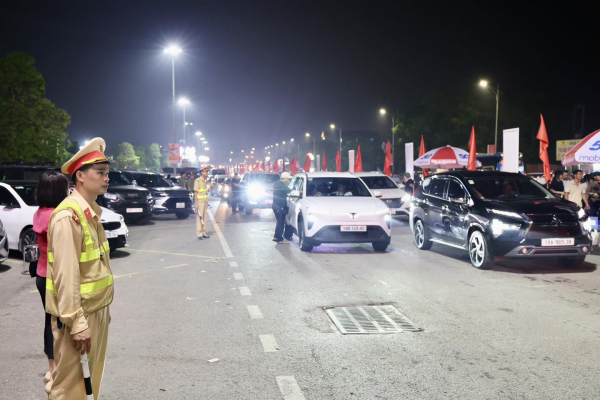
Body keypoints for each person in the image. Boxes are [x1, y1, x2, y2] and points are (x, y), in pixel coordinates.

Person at [46, 137, 114, 399]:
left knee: (89, 384)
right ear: (81, 176)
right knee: (70, 389)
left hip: (95, 310)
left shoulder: (90, 212)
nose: (107, 177)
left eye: (107, 172)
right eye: (101, 172)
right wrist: (77, 322)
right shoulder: (69, 216)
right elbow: (66, 276)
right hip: (79, 316)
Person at [34, 171, 70, 397]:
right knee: (60, 323)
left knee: (50, 321)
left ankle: (51, 368)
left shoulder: (39, 213)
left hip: (41, 274)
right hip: (55, 276)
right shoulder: (57, 216)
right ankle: (58, 370)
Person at [272, 172, 292, 244]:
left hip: (276, 205)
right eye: (288, 179)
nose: (288, 180)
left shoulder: (277, 184)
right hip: (279, 206)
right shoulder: (281, 185)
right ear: (285, 178)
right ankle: (279, 239)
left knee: (279, 222)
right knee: (281, 223)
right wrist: (301, 192)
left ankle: (276, 236)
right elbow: (289, 191)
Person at [194, 166, 211, 239]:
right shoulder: (198, 181)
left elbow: (206, 191)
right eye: (206, 171)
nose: (207, 173)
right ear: (202, 172)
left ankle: (203, 232)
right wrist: (196, 203)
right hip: (200, 202)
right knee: (200, 218)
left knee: (204, 218)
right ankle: (199, 234)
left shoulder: (206, 181)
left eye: (207, 171)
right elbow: (195, 192)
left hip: (205, 201)